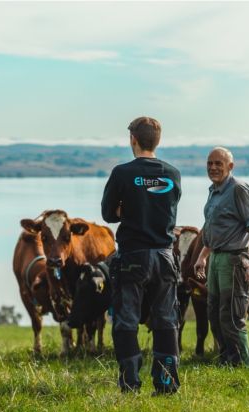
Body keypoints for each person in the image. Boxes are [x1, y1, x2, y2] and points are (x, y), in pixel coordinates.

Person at [101, 116, 182, 394]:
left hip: (133, 256)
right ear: (157, 141)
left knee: (126, 320)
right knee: (166, 320)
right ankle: (166, 384)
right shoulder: (172, 174)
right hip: (164, 256)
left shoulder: (122, 173)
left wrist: (130, 208)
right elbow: (167, 209)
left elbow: (108, 214)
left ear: (132, 140)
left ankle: (131, 383)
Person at [194, 147, 249, 366]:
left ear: (230, 166)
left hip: (234, 260)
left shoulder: (238, 189)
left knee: (232, 317)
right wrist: (203, 256)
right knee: (214, 315)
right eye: (210, 163)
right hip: (216, 259)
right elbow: (212, 226)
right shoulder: (214, 190)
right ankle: (226, 361)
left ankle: (241, 366)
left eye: (218, 163)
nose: (213, 167)